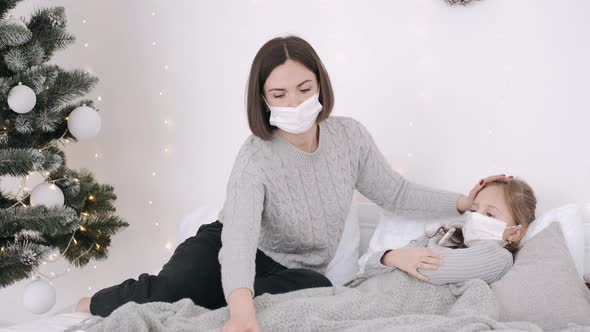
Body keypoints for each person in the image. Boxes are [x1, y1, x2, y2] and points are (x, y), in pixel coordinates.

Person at [75, 35, 512, 332]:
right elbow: (240, 240)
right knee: (166, 292)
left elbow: (395, 192)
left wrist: (464, 202)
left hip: (293, 271)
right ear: (263, 101)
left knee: (313, 294)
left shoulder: (349, 136)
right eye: (279, 95)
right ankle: (90, 304)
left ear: (320, 83)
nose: (296, 102)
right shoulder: (255, 155)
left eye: (304, 88)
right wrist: (242, 311)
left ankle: (228, 302)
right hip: (226, 247)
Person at [349, 178, 536, 288]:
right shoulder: (445, 236)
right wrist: (390, 257)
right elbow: (370, 268)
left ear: (515, 233)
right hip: (373, 291)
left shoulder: (499, 257)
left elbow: (432, 272)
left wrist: (401, 258)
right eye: (474, 210)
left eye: (489, 214)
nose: (476, 218)